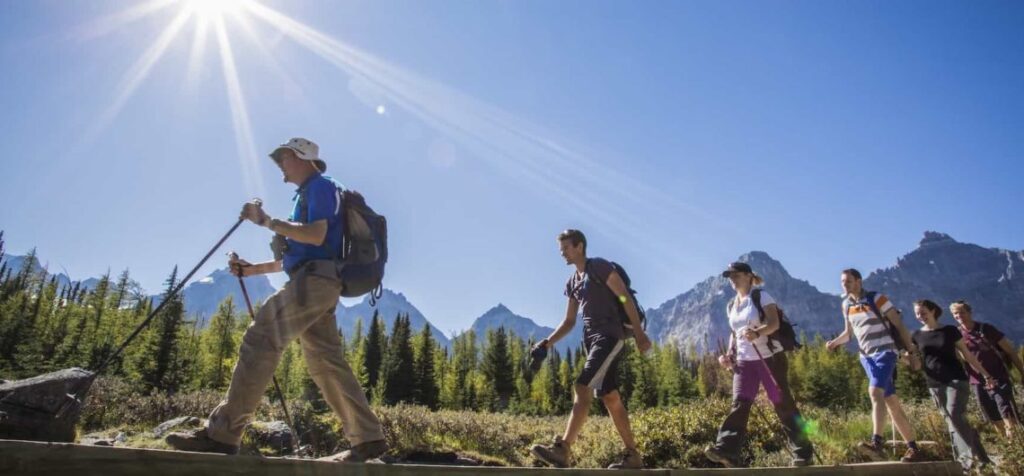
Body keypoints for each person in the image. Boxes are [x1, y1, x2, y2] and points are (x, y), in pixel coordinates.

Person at [166, 138, 387, 461]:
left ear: (301, 157)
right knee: (326, 361)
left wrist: (266, 221)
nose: (280, 166)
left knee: (262, 336)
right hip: (317, 280)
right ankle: (367, 440)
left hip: (316, 280)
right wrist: (253, 270)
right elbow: (302, 253)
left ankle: (223, 434)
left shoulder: (321, 186)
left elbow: (317, 235)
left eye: (283, 158)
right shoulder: (307, 193)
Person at [529, 229, 652, 470]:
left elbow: (624, 297)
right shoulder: (573, 282)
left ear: (580, 247)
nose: (562, 253)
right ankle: (633, 456)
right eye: (561, 249)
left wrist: (638, 333)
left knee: (582, 385)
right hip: (592, 341)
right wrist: (547, 343)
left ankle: (563, 449)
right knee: (610, 396)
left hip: (610, 336)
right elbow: (569, 322)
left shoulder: (599, 267)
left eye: (566, 248)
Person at [703, 262, 814, 468]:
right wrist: (729, 354)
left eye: (736, 275)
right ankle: (727, 451)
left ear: (747, 276)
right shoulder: (731, 305)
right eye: (729, 276)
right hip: (745, 362)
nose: (732, 280)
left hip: (769, 359)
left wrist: (757, 333)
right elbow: (735, 333)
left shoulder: (761, 297)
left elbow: (774, 323)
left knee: (782, 404)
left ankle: (804, 452)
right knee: (740, 404)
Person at [826, 268, 923, 462]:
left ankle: (877, 443)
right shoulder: (846, 305)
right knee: (891, 403)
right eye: (843, 282)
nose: (845, 285)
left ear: (859, 281)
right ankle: (913, 448)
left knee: (875, 392)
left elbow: (898, 324)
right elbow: (849, 334)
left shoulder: (877, 298)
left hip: (886, 351)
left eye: (848, 281)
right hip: (866, 357)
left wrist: (911, 351)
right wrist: (834, 343)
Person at [911, 300, 992, 470]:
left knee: (955, 415)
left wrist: (985, 375)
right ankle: (983, 460)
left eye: (923, 312)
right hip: (934, 383)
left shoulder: (950, 330)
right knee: (954, 422)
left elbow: (967, 355)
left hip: (956, 380)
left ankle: (967, 463)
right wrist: (904, 358)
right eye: (917, 314)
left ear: (933, 311)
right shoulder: (916, 335)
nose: (920, 316)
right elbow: (916, 366)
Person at [950, 300, 1024, 438]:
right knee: (993, 416)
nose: (959, 316)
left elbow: (1010, 351)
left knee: (1006, 411)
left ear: (970, 312)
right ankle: (1007, 447)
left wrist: (1021, 371)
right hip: (977, 381)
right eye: (955, 314)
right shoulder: (957, 335)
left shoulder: (986, 329)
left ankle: (1016, 445)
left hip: (999, 377)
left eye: (962, 312)